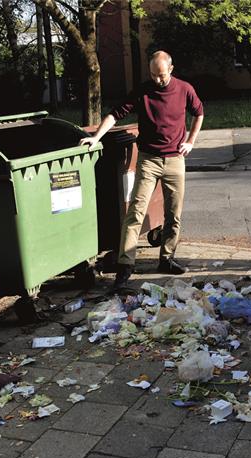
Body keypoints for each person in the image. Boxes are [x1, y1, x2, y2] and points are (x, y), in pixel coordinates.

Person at [80, 50, 204, 288]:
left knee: (174, 213)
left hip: (176, 160)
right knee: (135, 211)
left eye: (161, 75)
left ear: (171, 69)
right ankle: (125, 265)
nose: (157, 80)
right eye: (153, 75)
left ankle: (167, 259)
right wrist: (96, 138)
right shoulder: (143, 91)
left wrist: (191, 140)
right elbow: (115, 114)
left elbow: (198, 112)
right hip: (148, 160)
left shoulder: (184, 89)